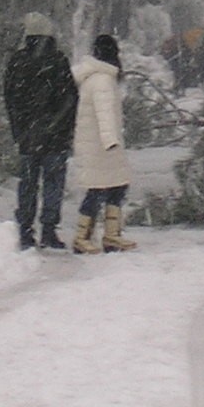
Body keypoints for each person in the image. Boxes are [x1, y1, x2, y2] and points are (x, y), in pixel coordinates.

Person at [2, 14, 78, 250]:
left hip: (28, 136)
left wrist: (19, 129)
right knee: (53, 183)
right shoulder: (58, 61)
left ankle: (25, 231)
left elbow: (10, 98)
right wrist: (63, 127)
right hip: (55, 137)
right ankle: (48, 229)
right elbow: (70, 98)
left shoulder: (17, 62)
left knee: (28, 183)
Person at [70, 33, 136, 254]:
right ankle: (88, 237)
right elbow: (104, 113)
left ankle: (106, 236)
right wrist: (111, 140)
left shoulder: (94, 77)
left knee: (110, 187)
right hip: (102, 146)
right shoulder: (103, 81)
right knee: (101, 189)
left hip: (95, 144)